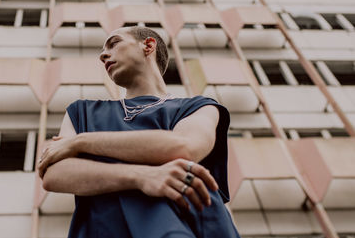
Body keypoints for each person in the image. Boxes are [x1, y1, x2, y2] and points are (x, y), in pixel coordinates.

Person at [37, 26, 241, 238]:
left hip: (192, 227)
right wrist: (141, 176)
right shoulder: (80, 111)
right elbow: (54, 174)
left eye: (114, 43)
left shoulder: (200, 106)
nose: (103, 54)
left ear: (148, 45)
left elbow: (185, 146)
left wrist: (80, 142)